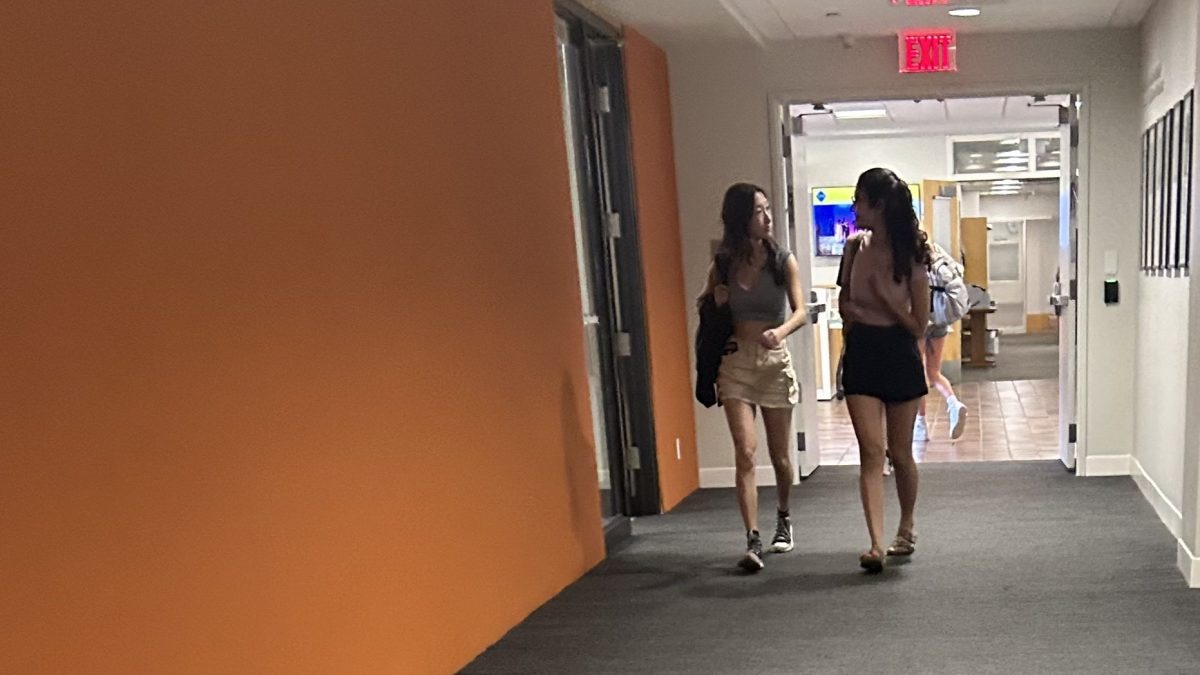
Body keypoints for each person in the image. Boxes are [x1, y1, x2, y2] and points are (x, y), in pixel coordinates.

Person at [697, 183, 808, 572]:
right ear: (741, 218)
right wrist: (717, 301)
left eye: (768, 209)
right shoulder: (724, 262)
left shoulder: (783, 261)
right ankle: (752, 538)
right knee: (745, 450)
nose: (768, 217)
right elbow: (705, 306)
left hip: (773, 360)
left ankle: (783, 518)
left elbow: (801, 310)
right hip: (736, 363)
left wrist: (780, 332)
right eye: (759, 211)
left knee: (779, 457)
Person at [837, 168, 931, 573]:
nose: (854, 207)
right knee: (871, 452)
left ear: (877, 205)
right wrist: (856, 309)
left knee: (900, 452)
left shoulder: (911, 253)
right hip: (862, 350)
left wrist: (884, 301)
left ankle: (905, 526)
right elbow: (844, 299)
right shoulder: (854, 247)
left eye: (859, 199)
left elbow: (919, 326)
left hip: (899, 351)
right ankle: (875, 543)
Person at [914, 243, 969, 444]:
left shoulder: (909, 258)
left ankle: (920, 426)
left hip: (920, 319)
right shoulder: (936, 251)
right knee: (934, 373)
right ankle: (953, 404)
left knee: (918, 375)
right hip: (941, 315)